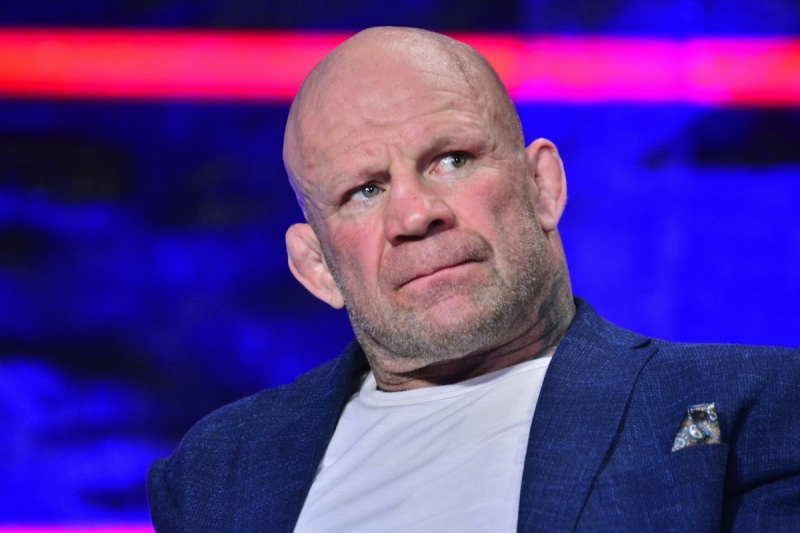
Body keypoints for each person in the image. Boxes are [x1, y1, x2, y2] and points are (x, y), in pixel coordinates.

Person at [147, 27, 800, 532]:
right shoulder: (220, 470)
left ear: (542, 186)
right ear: (318, 266)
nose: (415, 213)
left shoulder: (750, 406)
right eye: (365, 190)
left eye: (451, 159)